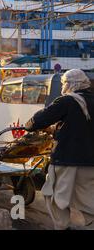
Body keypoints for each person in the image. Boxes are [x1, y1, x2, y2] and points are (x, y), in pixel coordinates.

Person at [24, 69, 94, 230]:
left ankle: (62, 227)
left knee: (55, 197)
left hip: (66, 160)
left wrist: (35, 126)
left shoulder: (67, 101)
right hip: (90, 162)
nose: (63, 86)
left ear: (70, 84)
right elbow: (81, 126)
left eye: (64, 83)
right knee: (88, 200)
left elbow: (36, 122)